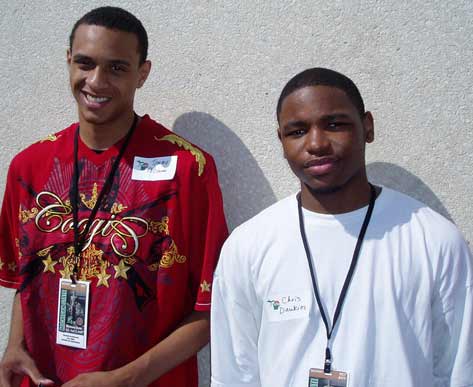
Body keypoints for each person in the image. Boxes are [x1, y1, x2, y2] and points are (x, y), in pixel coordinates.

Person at [0, 6, 227, 387]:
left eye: (117, 68)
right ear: (68, 61)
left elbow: (214, 309)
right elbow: (31, 268)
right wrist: (14, 346)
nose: (97, 81)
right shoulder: (28, 167)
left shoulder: (189, 170)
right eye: (85, 63)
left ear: (143, 73)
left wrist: (126, 379)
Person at [210, 68, 473, 386]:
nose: (316, 143)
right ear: (281, 140)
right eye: (297, 131)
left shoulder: (434, 240)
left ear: (368, 127)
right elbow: (236, 373)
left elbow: (458, 369)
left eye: (334, 125)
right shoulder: (248, 245)